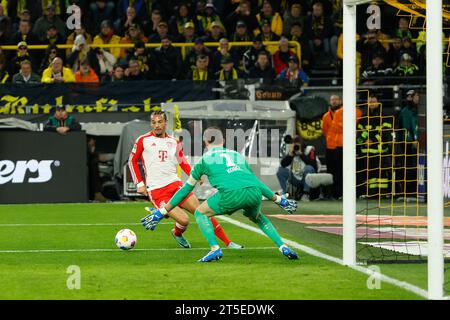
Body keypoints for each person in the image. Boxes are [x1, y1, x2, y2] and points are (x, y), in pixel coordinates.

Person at [141, 126, 299, 262]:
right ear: (223, 140)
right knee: (258, 217)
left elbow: (184, 191)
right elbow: (255, 182)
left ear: (205, 142)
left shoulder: (203, 160)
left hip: (230, 195)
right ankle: (282, 246)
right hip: (254, 193)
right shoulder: (237, 156)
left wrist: (163, 211)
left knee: (200, 212)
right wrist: (279, 199)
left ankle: (215, 248)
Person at [129, 111, 243, 250]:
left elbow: (182, 161)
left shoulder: (174, 141)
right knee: (184, 220)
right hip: (157, 190)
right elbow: (132, 161)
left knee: (202, 211)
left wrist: (195, 174)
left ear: (165, 123)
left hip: (176, 186)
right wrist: (140, 184)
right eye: (154, 122)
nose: (157, 125)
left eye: (160, 122)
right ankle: (177, 232)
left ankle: (228, 243)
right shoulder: (143, 140)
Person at [356, 93, 393, 198]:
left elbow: (386, 134)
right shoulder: (363, 118)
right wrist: (364, 140)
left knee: (381, 174)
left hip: (381, 152)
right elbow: (359, 134)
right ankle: (372, 194)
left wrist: (372, 139)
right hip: (367, 153)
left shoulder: (385, 117)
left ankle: (383, 193)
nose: (371, 103)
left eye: (373, 101)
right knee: (370, 175)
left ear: (378, 102)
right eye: (369, 101)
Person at [276, 135, 319, 201]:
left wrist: (301, 154)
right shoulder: (292, 150)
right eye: (295, 145)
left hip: (307, 179)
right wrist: (290, 155)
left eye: (298, 145)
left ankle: (306, 194)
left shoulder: (309, 149)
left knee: (309, 168)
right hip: (295, 177)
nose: (297, 147)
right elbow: (283, 164)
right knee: (280, 171)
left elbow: (313, 166)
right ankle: (286, 193)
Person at [321, 94, 342, 199]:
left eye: (336, 99)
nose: (334, 101)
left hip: (341, 146)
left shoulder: (343, 113)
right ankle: (333, 194)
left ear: (340, 101)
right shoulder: (326, 116)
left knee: (341, 171)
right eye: (332, 100)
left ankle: (341, 193)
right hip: (330, 147)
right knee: (331, 171)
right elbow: (324, 131)